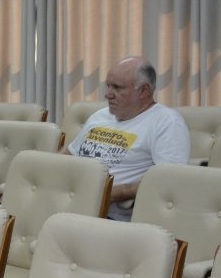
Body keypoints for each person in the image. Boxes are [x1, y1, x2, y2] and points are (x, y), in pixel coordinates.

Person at [68, 57, 190, 220]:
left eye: (117, 87)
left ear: (143, 91)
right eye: (108, 86)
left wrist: (107, 193)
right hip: (72, 201)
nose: (108, 94)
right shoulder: (100, 116)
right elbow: (68, 154)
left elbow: (169, 181)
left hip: (112, 216)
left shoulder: (167, 122)